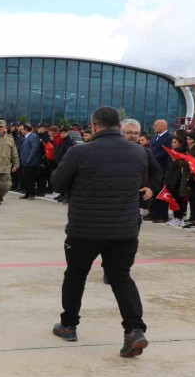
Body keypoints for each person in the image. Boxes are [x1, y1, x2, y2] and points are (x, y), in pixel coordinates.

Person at [50, 106, 149, 358]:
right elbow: (140, 181)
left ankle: (69, 325)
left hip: (85, 229)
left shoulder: (79, 152)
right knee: (122, 278)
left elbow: (57, 183)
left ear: (94, 126)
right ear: (119, 126)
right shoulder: (138, 152)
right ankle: (134, 330)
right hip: (124, 230)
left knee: (75, 275)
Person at [149, 119, 174, 223]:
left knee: (162, 192)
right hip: (153, 169)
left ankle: (162, 215)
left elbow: (166, 152)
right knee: (154, 191)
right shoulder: (154, 137)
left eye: (156, 125)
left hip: (163, 168)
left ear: (163, 126)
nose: (154, 127)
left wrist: (152, 158)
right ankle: (154, 214)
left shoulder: (169, 137)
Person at [18, 123, 41, 199]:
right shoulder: (26, 137)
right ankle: (27, 193)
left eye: (22, 129)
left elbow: (34, 149)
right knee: (25, 178)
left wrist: (28, 159)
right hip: (25, 162)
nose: (21, 131)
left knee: (30, 179)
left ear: (26, 129)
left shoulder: (33, 137)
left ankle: (32, 194)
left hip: (31, 163)